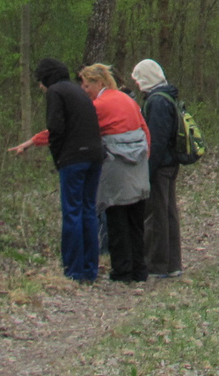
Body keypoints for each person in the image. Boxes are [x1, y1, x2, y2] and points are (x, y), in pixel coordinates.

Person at [9, 58, 103, 283]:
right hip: (96, 156)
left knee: (72, 212)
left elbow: (56, 128)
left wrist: (59, 158)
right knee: (88, 211)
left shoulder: (56, 92)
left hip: (74, 159)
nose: (40, 87)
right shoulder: (79, 92)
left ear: (47, 78)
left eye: (40, 81)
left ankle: (73, 271)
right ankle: (90, 269)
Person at [78, 64, 151, 284]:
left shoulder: (99, 105)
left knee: (117, 221)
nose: (84, 89)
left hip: (116, 169)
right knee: (136, 222)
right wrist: (145, 157)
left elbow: (80, 130)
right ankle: (140, 270)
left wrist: (37, 140)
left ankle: (122, 272)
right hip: (138, 167)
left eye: (87, 84)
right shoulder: (128, 99)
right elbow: (145, 130)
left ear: (99, 83)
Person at [133, 58, 183, 279]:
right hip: (170, 163)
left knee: (157, 214)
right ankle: (172, 264)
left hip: (161, 165)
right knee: (168, 212)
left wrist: (148, 170)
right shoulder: (166, 97)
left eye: (138, 78)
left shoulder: (157, 102)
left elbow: (157, 140)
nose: (136, 84)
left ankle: (157, 264)